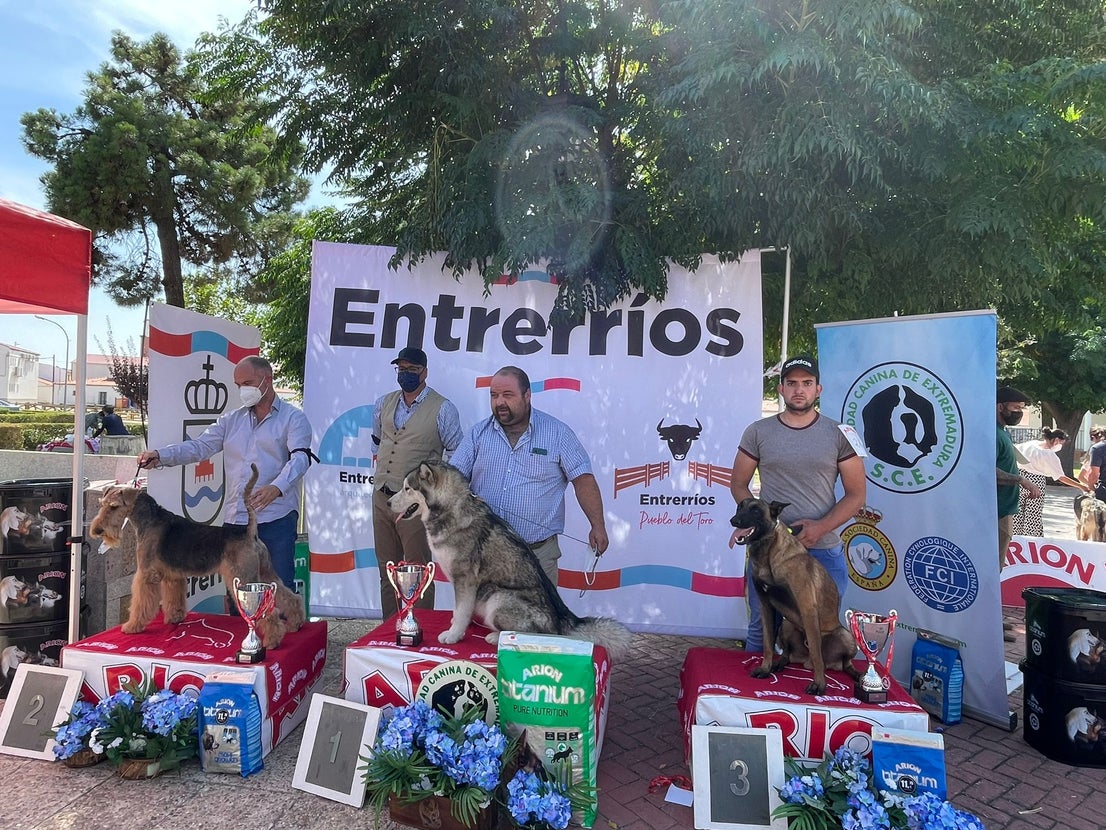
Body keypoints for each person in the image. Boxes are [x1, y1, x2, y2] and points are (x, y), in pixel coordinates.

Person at [136, 356, 313, 591]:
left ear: (267, 380)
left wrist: (277, 487)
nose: (242, 390)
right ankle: (243, 629)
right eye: (239, 385)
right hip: (235, 519)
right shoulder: (230, 420)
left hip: (276, 518)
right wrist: (162, 455)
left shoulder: (294, 418)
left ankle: (284, 627)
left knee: (278, 586)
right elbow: (200, 447)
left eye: (247, 383)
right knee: (237, 589)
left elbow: (301, 457)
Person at [729, 354, 867, 654]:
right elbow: (739, 484)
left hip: (823, 553)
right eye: (791, 383)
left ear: (819, 389)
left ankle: (814, 697)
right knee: (761, 630)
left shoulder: (840, 434)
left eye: (807, 383)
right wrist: (759, 522)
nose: (799, 390)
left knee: (821, 633)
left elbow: (857, 495)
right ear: (781, 389)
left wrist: (821, 527)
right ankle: (752, 698)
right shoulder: (758, 432)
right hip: (769, 552)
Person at [450, 365, 608, 584]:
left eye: (508, 395)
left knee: (540, 618)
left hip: (538, 554)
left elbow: (583, 480)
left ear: (527, 395)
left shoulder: (557, 433)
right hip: (485, 552)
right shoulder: (478, 435)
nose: (499, 402)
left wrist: (597, 525)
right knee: (487, 619)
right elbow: (451, 481)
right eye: (494, 395)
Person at [372, 346, 463, 617]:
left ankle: (419, 629)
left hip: (416, 502)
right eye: (402, 369)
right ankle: (389, 629)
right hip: (382, 495)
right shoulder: (383, 403)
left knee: (418, 570)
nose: (406, 374)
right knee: (386, 569)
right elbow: (378, 441)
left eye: (412, 369)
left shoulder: (443, 408)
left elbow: (457, 451)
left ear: (425, 372)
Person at [1013, 428, 1089, 536]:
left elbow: (1015, 452)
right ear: (1056, 440)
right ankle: (1032, 539)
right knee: (1033, 514)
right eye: (1061, 443)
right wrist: (1081, 486)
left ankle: (1016, 537)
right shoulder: (1050, 455)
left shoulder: (1031, 444)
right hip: (1036, 481)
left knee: (1017, 511)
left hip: (1020, 479)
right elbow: (1061, 477)